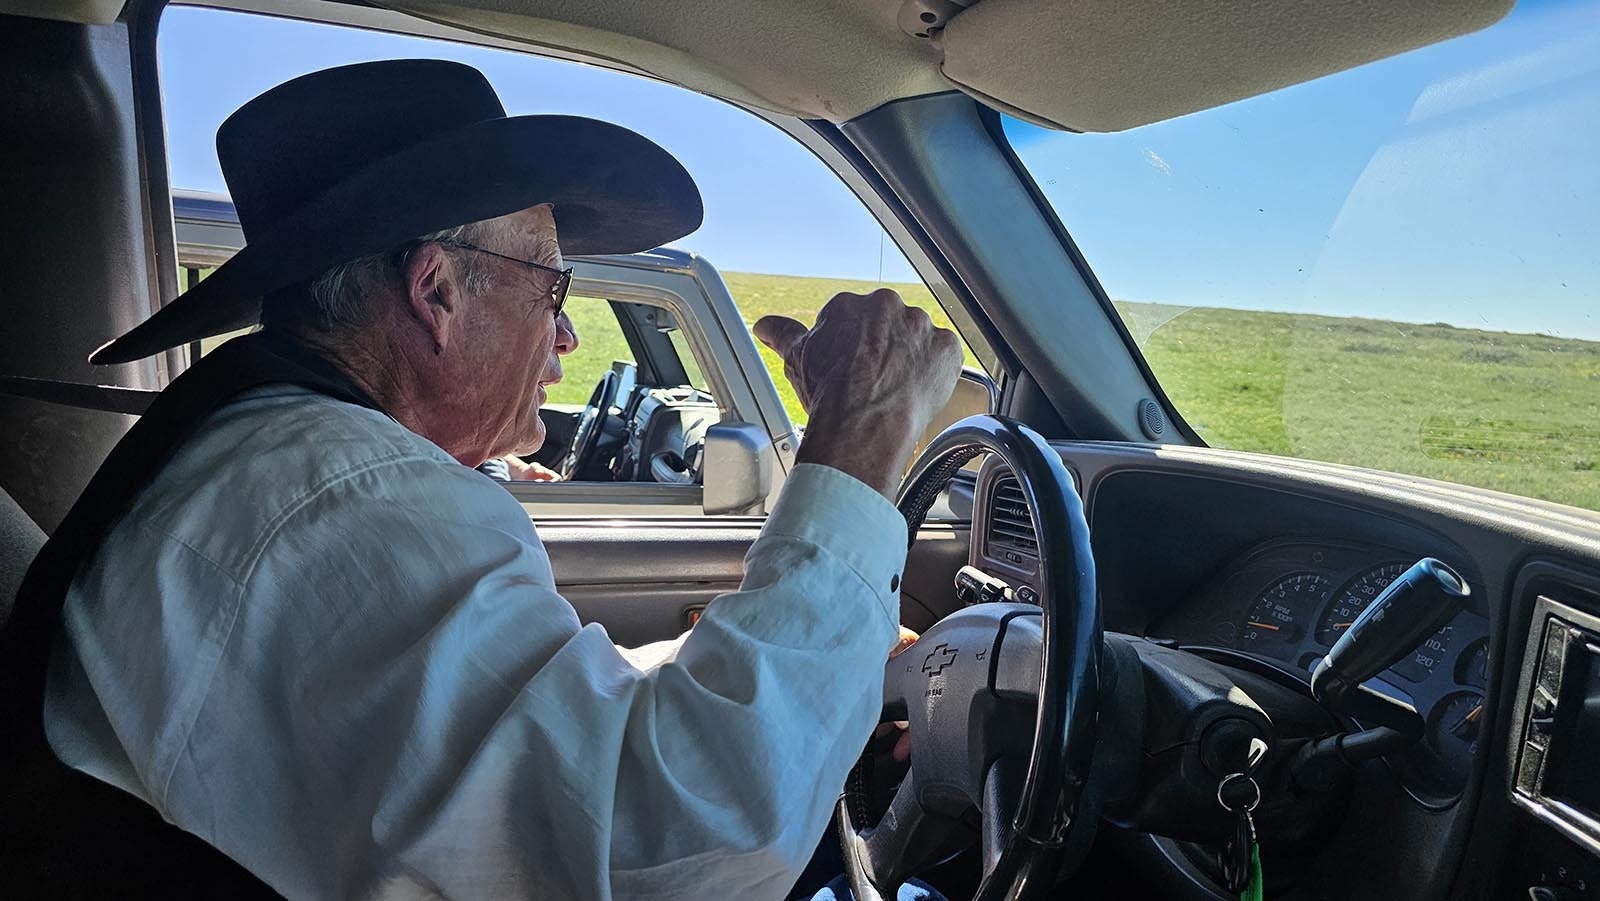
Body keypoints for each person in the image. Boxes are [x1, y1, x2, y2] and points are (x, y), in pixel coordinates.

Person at [25, 59, 963, 898]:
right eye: (553, 286)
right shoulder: (339, 497)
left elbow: (499, 722)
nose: (564, 334)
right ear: (435, 291)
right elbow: (681, 846)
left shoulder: (285, 461)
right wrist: (861, 444)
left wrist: (738, 651)